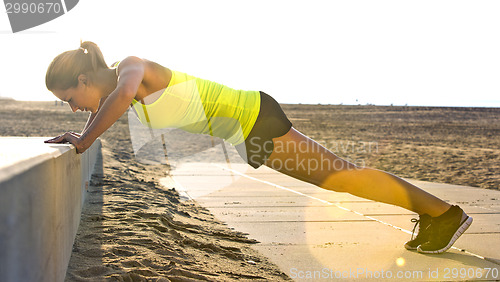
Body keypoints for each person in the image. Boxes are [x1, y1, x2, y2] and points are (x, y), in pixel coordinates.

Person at [44, 41, 472, 254]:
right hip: (249, 130)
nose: (73, 108)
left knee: (345, 176)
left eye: (69, 99)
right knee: (342, 179)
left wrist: (84, 139)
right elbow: (111, 104)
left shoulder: (132, 68)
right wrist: (81, 133)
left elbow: (118, 99)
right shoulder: (122, 86)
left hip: (255, 118)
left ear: (83, 79)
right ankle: (435, 215)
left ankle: (444, 214)